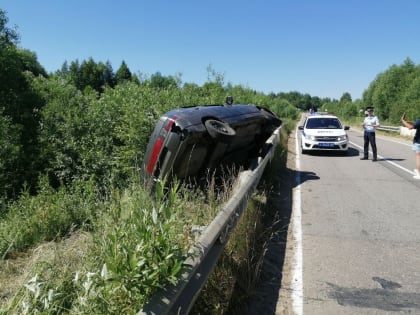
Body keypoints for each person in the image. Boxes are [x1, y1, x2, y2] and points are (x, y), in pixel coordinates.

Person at [401, 112, 420, 180]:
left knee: (418, 158)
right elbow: (415, 123)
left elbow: (410, 127)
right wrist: (407, 121)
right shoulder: (418, 121)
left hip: (418, 142)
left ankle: (419, 174)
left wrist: (403, 121)